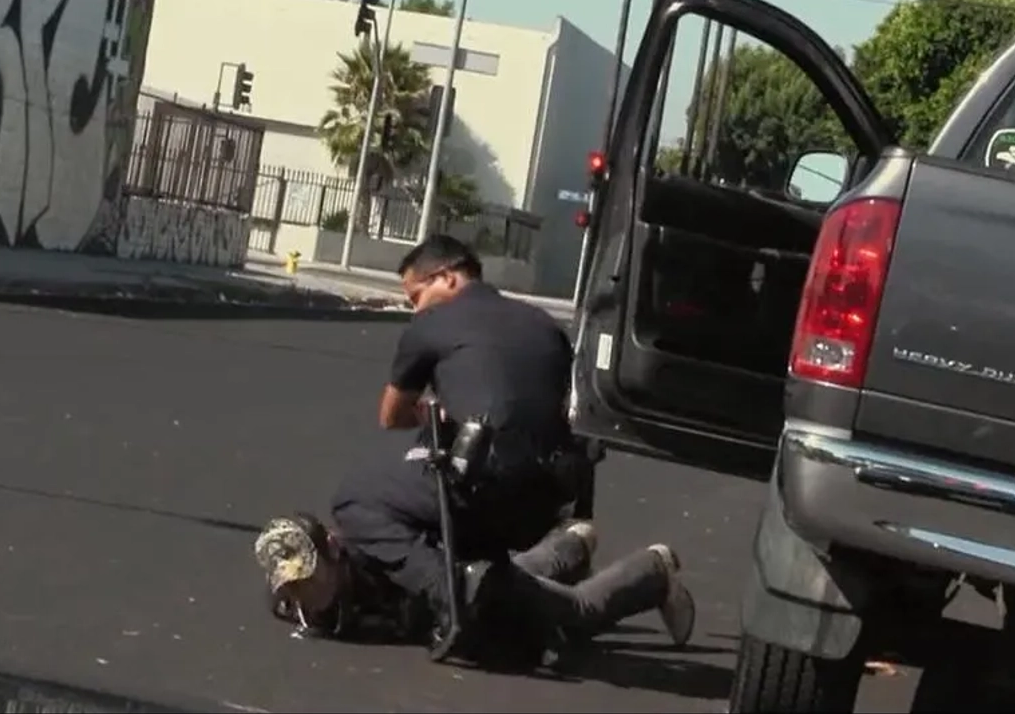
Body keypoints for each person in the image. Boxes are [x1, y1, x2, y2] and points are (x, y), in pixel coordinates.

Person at [257, 234, 695, 655]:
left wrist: (440, 421)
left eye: (415, 296)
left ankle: (646, 572)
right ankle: (566, 547)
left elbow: (391, 416)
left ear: (448, 277)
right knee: (488, 572)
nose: (415, 310)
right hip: (545, 497)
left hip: (481, 488)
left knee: (359, 500)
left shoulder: (432, 326)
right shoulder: (544, 324)